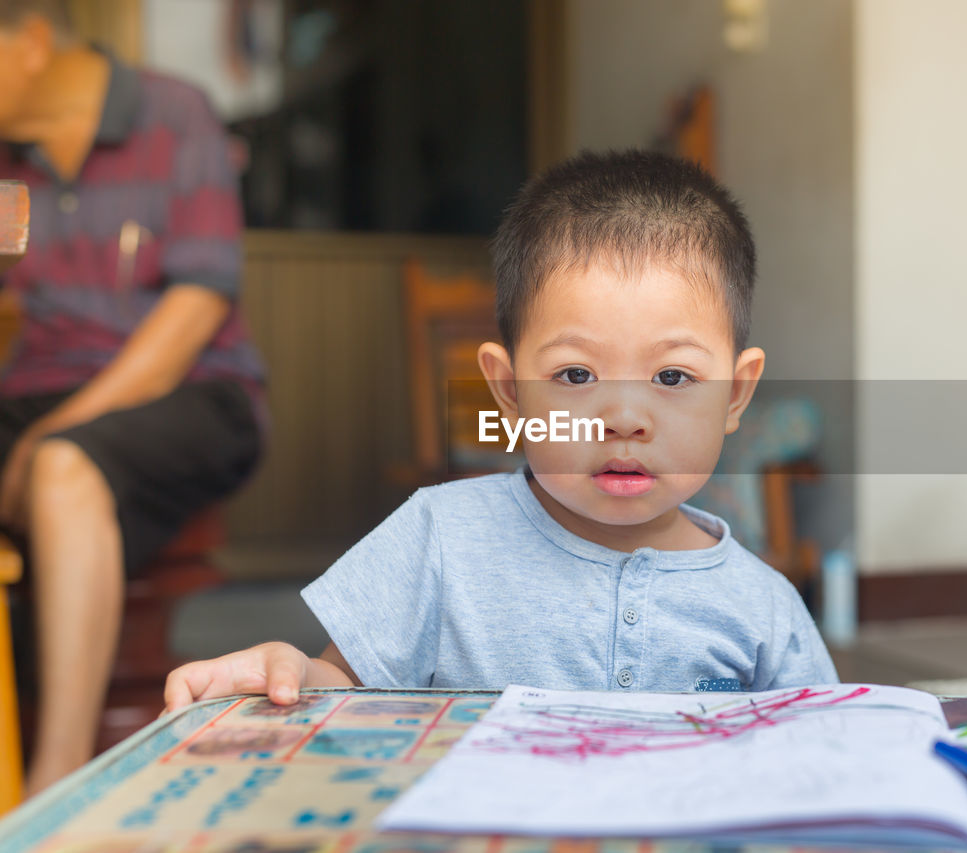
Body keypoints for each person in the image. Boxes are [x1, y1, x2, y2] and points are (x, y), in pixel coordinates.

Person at [164, 149, 835, 711]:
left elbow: (823, 759)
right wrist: (287, 675)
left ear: (735, 392)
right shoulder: (440, 538)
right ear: (509, 390)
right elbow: (341, 688)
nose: (627, 419)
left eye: (672, 378)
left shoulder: (763, 608)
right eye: (576, 375)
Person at [0, 1, 265, 793]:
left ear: (35, 41)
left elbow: (194, 310)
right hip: (38, 387)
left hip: (194, 390)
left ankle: (54, 786)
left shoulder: (176, 112)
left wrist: (43, 441)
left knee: (60, 465)